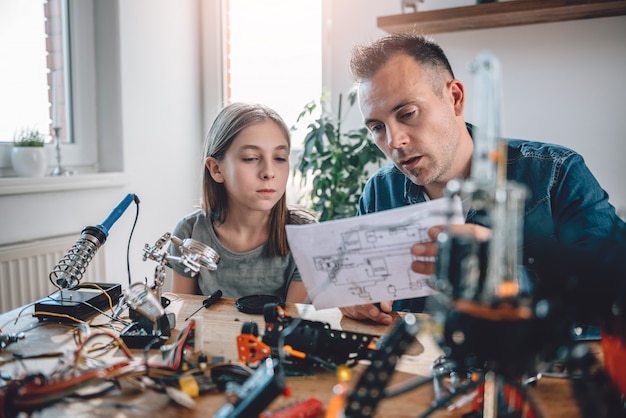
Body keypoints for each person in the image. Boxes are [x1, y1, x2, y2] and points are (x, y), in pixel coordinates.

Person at [340, 33, 626, 324]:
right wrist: (356, 300)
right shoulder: (379, 193)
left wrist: (504, 276)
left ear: (455, 99)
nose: (394, 141)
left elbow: (614, 294)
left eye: (408, 113)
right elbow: (367, 299)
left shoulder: (557, 174)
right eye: (377, 127)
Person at [169, 102, 316, 303]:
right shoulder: (189, 232)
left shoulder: (306, 236)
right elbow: (183, 313)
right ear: (216, 170)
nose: (269, 172)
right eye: (251, 158)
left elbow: (290, 322)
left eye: (280, 158)